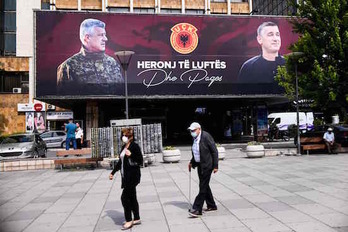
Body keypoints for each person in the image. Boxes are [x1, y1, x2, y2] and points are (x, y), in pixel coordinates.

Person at [57, 18, 123, 95]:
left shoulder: (112, 63)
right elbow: (64, 100)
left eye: (105, 35)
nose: (105, 39)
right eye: (101, 35)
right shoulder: (68, 66)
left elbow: (121, 94)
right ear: (87, 38)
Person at [109, 128, 143, 230]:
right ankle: (136, 218)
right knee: (132, 197)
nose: (123, 137)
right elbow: (120, 162)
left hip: (133, 176)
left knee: (124, 198)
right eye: (123, 135)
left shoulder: (134, 146)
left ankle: (128, 220)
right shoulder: (124, 147)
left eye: (126, 135)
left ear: (130, 137)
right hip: (126, 177)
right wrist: (113, 172)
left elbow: (140, 161)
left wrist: (131, 155)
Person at [187, 122, 219, 217]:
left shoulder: (206, 136)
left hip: (207, 166)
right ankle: (211, 205)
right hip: (200, 165)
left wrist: (215, 166)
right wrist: (192, 162)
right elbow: (196, 152)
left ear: (199, 129)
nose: (192, 132)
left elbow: (214, 151)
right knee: (205, 185)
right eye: (191, 130)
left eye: (193, 130)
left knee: (202, 187)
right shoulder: (195, 138)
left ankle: (197, 208)